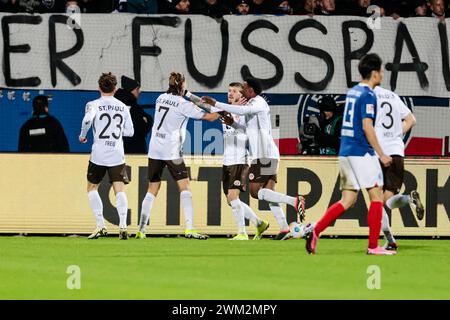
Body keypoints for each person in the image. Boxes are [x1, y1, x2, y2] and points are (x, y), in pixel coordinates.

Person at [303, 53, 395, 255]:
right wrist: (381, 154)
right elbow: (367, 127)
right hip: (361, 151)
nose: (381, 75)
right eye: (380, 71)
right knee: (377, 196)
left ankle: (316, 231)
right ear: (373, 73)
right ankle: (373, 246)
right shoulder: (369, 95)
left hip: (345, 152)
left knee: (348, 200)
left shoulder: (352, 92)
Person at [202, 78, 306, 240]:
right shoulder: (252, 106)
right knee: (268, 194)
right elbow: (246, 130)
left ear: (251, 90)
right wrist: (233, 124)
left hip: (264, 154)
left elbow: (241, 111)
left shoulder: (258, 102)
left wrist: (216, 103)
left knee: (256, 192)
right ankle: (285, 228)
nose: (241, 90)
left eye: (243, 87)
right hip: (265, 153)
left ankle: (294, 201)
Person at [136, 72, 219, 240]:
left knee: (152, 188)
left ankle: (141, 230)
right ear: (182, 85)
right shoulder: (183, 104)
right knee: (185, 187)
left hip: (154, 148)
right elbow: (210, 117)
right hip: (171, 150)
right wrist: (223, 111)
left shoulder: (160, 98)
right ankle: (189, 228)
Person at [79, 72, 134, 240]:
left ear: (99, 87)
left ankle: (101, 226)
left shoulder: (93, 104)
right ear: (115, 89)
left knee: (91, 188)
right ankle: (123, 226)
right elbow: (130, 132)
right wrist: (115, 133)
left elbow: (88, 120)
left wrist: (83, 135)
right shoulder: (123, 107)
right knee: (119, 190)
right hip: (117, 154)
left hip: (99, 154)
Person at [374, 85, 424, 251]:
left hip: (379, 153)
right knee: (387, 201)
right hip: (396, 153)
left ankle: (390, 241)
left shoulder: (367, 96)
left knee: (377, 202)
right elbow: (412, 120)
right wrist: (397, 134)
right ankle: (410, 200)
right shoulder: (393, 96)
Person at [219, 82, 270, 240]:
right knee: (230, 200)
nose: (230, 93)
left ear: (242, 95)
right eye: (229, 91)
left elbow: (248, 132)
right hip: (227, 159)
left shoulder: (245, 112)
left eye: (234, 91)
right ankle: (259, 223)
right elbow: (208, 112)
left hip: (240, 159)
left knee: (233, 198)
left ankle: (242, 233)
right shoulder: (225, 111)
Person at [115, 76, 153, 154]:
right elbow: (142, 129)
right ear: (131, 91)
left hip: (116, 148)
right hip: (134, 149)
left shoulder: (115, 105)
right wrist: (148, 120)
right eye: (137, 89)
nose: (139, 91)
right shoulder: (135, 108)